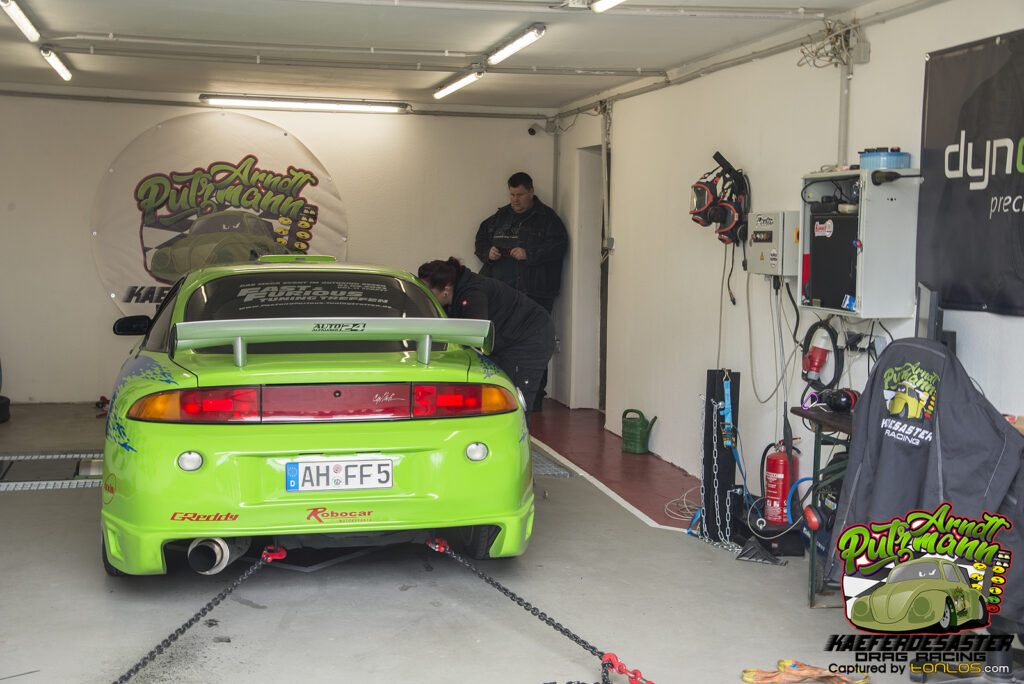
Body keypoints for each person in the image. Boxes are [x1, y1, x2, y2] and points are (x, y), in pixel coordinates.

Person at [417, 257, 555, 423]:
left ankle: (518, 435)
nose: (426, 298)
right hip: (508, 339)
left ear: (445, 289)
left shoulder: (472, 293)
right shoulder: (458, 292)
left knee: (516, 399)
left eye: (428, 292)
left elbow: (476, 334)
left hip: (530, 337)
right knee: (498, 395)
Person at [474, 172, 567, 409]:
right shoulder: (500, 218)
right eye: (512, 195)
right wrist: (488, 253)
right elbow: (480, 240)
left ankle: (533, 399)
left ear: (531, 192)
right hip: (502, 295)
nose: (515, 200)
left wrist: (529, 254)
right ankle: (500, 392)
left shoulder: (547, 220)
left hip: (534, 294)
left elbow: (558, 247)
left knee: (534, 343)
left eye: (520, 195)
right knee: (498, 342)